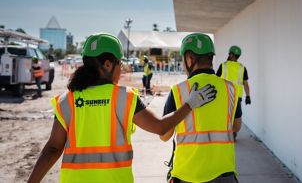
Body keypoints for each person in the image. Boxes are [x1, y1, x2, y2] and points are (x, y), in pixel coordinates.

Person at [27, 33, 217, 183]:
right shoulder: (125, 98)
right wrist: (190, 104)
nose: (122, 69)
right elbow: (161, 127)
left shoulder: (66, 101)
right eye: (120, 64)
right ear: (108, 65)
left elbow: (53, 148)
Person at [161, 33, 242, 183]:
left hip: (187, 175)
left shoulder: (178, 90)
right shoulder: (231, 89)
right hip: (224, 173)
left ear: (190, 59)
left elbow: (164, 135)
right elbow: (236, 126)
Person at [216, 45, 251, 141]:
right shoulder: (242, 68)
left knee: (223, 115)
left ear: (231, 54)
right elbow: (245, 84)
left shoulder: (223, 65)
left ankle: (224, 133)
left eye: (229, 54)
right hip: (236, 97)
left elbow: (216, 80)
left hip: (224, 96)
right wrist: (248, 96)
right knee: (236, 117)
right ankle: (233, 133)